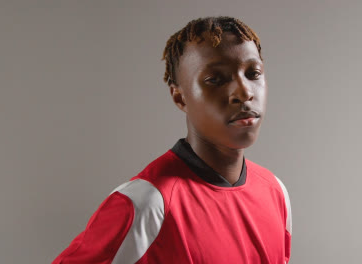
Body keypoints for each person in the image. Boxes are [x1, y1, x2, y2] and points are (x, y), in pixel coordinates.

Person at [52, 16, 292, 264]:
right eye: (215, 80)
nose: (244, 93)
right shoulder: (147, 204)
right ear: (180, 98)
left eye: (253, 73)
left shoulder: (275, 192)